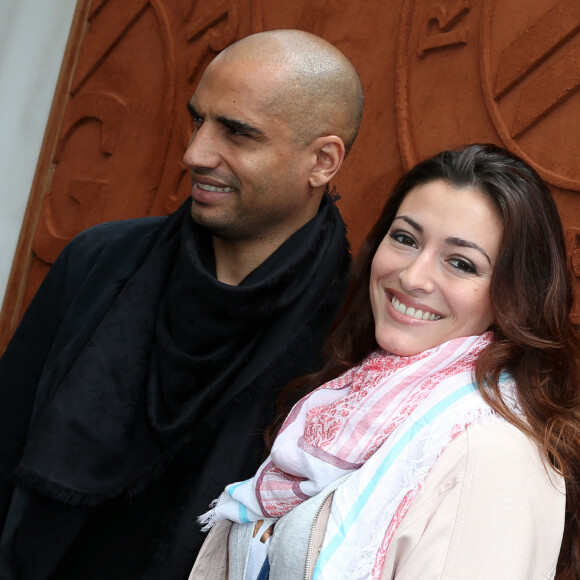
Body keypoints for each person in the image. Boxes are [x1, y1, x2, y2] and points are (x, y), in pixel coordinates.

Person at [0, 30, 364, 579]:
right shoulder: (99, 262)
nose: (195, 153)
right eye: (199, 120)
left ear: (322, 161)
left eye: (237, 133)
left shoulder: (353, 331)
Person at [191, 144, 580, 580]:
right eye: (406, 238)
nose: (413, 277)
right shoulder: (351, 400)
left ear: (514, 295)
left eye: (461, 263)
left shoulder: (489, 455)